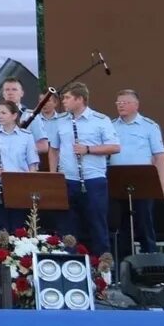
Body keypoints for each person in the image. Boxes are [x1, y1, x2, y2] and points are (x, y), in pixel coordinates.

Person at [49, 83, 121, 256]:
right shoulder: (60, 121)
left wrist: (88, 149)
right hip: (67, 180)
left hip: (93, 180)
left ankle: (102, 271)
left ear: (80, 99)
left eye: (67, 98)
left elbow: (115, 147)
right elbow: (54, 149)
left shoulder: (100, 120)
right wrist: (53, 175)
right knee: (67, 227)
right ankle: (70, 265)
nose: (63, 101)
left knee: (97, 224)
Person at [110, 89, 164, 255]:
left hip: (143, 183)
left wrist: (160, 184)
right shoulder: (111, 126)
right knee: (122, 227)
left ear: (136, 105)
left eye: (125, 102)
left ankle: (151, 264)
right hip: (118, 181)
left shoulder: (149, 126)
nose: (121, 106)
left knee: (144, 224)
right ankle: (123, 267)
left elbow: (159, 157)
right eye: (118, 103)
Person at [0, 100, 39, 232]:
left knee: (18, 226)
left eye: (4, 113)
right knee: (1, 226)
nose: (0, 116)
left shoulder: (26, 136)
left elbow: (33, 165)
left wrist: (29, 182)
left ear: (14, 115)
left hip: (19, 186)